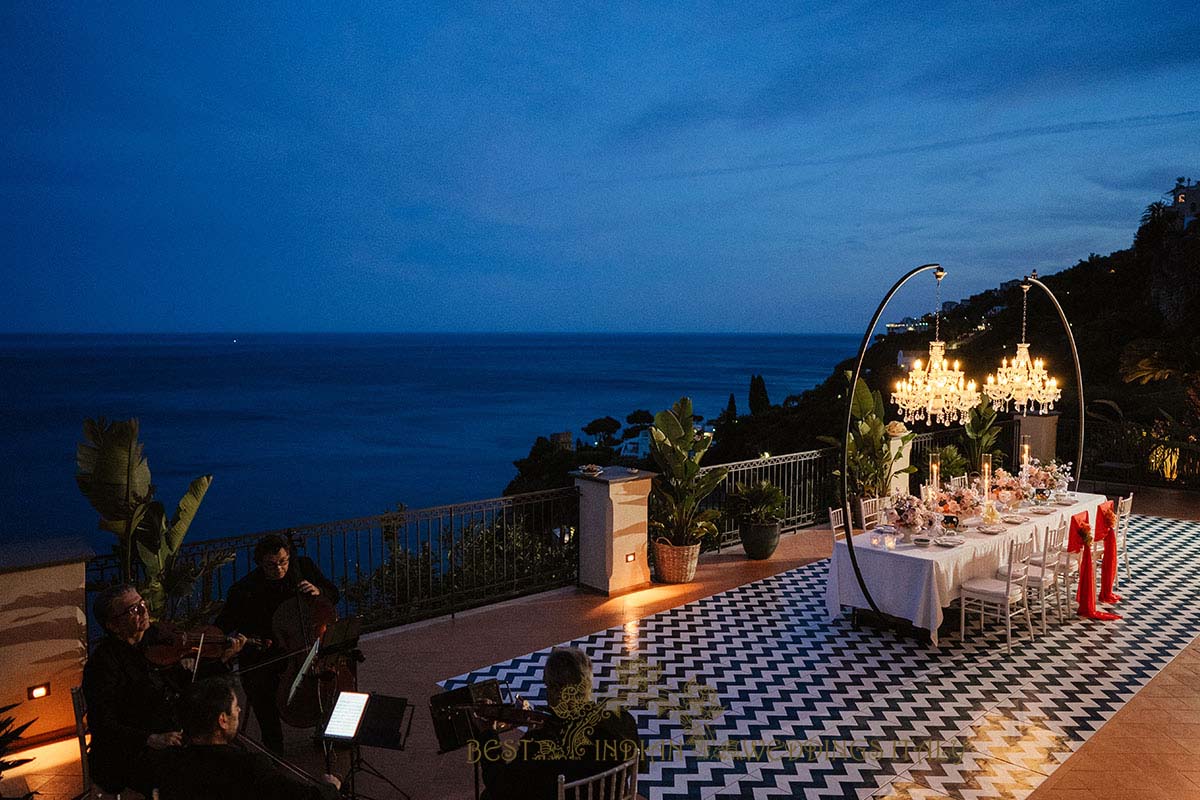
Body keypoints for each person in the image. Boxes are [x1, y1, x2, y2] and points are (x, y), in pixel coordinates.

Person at [81, 584, 246, 796]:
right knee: (193, 775)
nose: (144, 611)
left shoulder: (155, 639)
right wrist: (150, 738)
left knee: (234, 757)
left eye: (142, 603)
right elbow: (102, 724)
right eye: (133, 610)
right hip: (130, 751)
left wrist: (222, 660)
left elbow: (185, 684)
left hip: (173, 734)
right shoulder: (103, 664)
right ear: (113, 625)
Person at [215, 533, 339, 752]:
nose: (279, 569)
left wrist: (319, 592)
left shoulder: (303, 568)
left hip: (306, 649)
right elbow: (224, 625)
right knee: (259, 685)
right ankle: (274, 746)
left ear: (289, 556)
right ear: (260, 563)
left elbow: (333, 594)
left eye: (283, 561)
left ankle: (328, 732)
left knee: (331, 673)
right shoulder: (246, 590)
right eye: (271, 565)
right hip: (267, 654)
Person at [476, 647, 641, 800]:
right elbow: (640, 765)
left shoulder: (540, 744)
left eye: (547, 686)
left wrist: (488, 734)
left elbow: (500, 786)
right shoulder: (623, 721)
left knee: (488, 796)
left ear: (556, 690)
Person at [156, 676, 341, 799]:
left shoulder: (169, 763)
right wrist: (330, 788)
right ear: (222, 720)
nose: (239, 710)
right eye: (235, 706)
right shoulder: (248, 766)